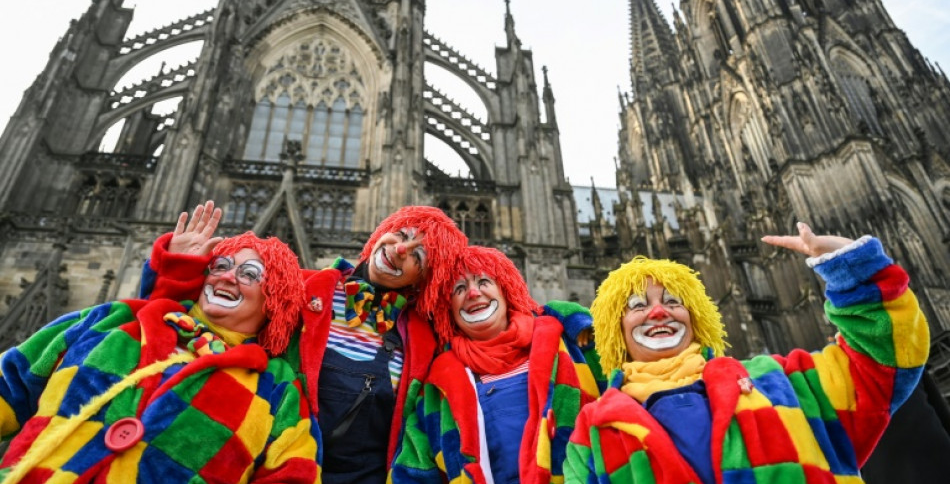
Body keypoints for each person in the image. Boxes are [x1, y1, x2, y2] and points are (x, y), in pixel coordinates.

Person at [564, 223, 929, 484]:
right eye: (639, 305)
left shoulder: (777, 382)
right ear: (615, 330)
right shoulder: (593, 432)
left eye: (674, 301)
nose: (659, 312)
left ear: (696, 316)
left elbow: (882, 363)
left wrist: (854, 270)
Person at [141, 204, 469, 484]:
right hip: (267, 466)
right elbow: (195, 324)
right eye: (403, 234)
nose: (400, 249)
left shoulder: (426, 336)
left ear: (426, 277)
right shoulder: (301, 287)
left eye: (419, 255)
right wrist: (178, 267)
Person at [0, 205, 319, 483]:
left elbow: (293, 475)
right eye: (220, 265)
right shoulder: (118, 320)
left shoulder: (277, 388)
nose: (226, 277)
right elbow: (11, 385)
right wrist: (178, 270)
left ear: (275, 300)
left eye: (250, 273)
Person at [390, 245, 600, 484]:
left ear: (505, 290)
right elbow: (412, 471)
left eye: (483, 282)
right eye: (459, 288)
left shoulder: (571, 343)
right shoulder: (437, 384)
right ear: (448, 309)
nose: (472, 293)